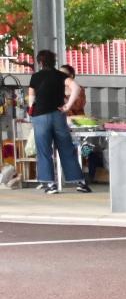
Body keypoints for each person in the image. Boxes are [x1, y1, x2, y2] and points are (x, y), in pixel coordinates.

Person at [26, 50, 87, 193]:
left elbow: (31, 98)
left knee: (44, 151)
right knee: (66, 148)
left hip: (40, 116)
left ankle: (49, 184)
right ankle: (80, 182)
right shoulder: (61, 76)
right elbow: (76, 88)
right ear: (54, 62)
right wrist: (68, 106)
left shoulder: (35, 77)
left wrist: (31, 109)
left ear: (40, 62)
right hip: (58, 115)